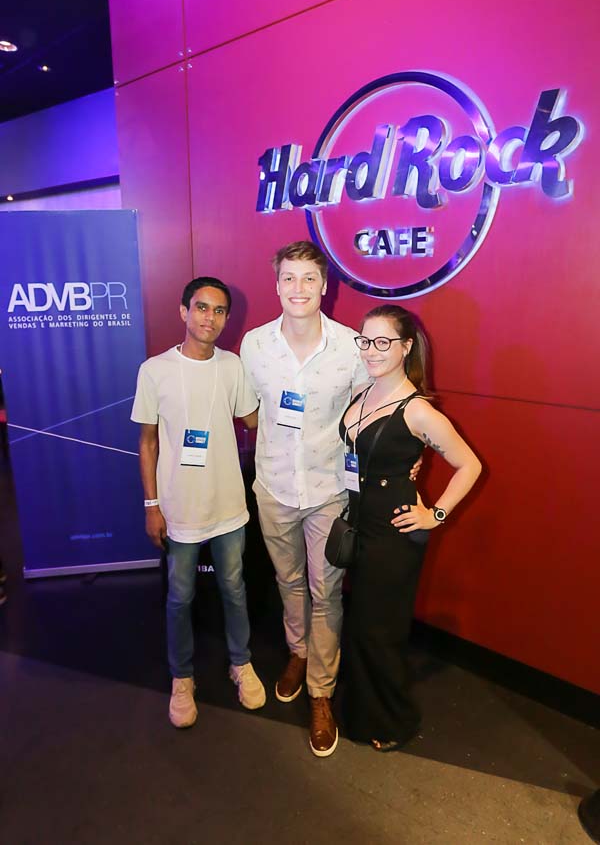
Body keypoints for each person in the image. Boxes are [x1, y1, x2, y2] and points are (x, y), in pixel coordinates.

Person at [240, 241, 373, 757]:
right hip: (273, 485)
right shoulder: (255, 345)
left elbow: (368, 412)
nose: (299, 288)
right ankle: (297, 651)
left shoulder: (350, 347)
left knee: (327, 590)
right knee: (288, 580)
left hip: (328, 490)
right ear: (277, 285)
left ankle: (321, 689)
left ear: (325, 285)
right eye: (289, 278)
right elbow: (249, 411)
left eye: (309, 278)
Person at [340, 304, 482, 752]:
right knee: (362, 624)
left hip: (395, 534)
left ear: (405, 347)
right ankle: (360, 710)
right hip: (360, 523)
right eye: (366, 340)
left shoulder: (418, 410)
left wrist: (435, 515)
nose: (371, 350)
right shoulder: (362, 393)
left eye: (383, 342)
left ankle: (390, 720)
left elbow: (470, 465)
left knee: (380, 631)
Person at [131, 276, 265, 728]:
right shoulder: (154, 370)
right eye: (202, 307)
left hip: (228, 504)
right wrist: (152, 505)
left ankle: (241, 663)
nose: (210, 317)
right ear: (183, 312)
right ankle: (182, 676)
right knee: (180, 596)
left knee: (234, 588)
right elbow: (147, 442)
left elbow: (254, 419)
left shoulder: (233, 366)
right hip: (179, 506)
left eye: (219, 310)